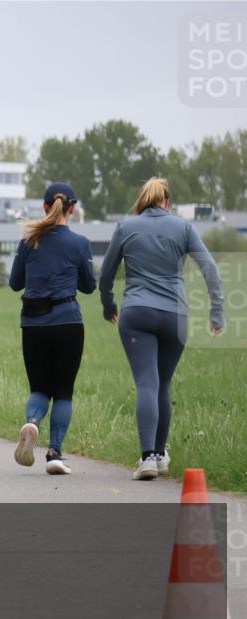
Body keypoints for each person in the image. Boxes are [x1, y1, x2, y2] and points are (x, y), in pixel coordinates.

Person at [99, 177, 225, 481]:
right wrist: (217, 311)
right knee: (163, 384)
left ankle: (146, 459)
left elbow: (106, 274)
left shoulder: (126, 227)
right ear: (167, 202)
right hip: (175, 316)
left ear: (143, 200)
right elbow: (210, 267)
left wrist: (108, 304)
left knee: (147, 383)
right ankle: (159, 454)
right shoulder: (182, 227)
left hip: (137, 313)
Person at [9, 182, 95, 475]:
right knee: (64, 391)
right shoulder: (79, 243)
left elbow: (14, 283)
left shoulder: (28, 240)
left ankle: (32, 422)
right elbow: (89, 286)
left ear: (45, 207)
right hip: (68, 322)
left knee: (40, 387)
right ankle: (55, 452)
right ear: (72, 208)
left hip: (33, 325)